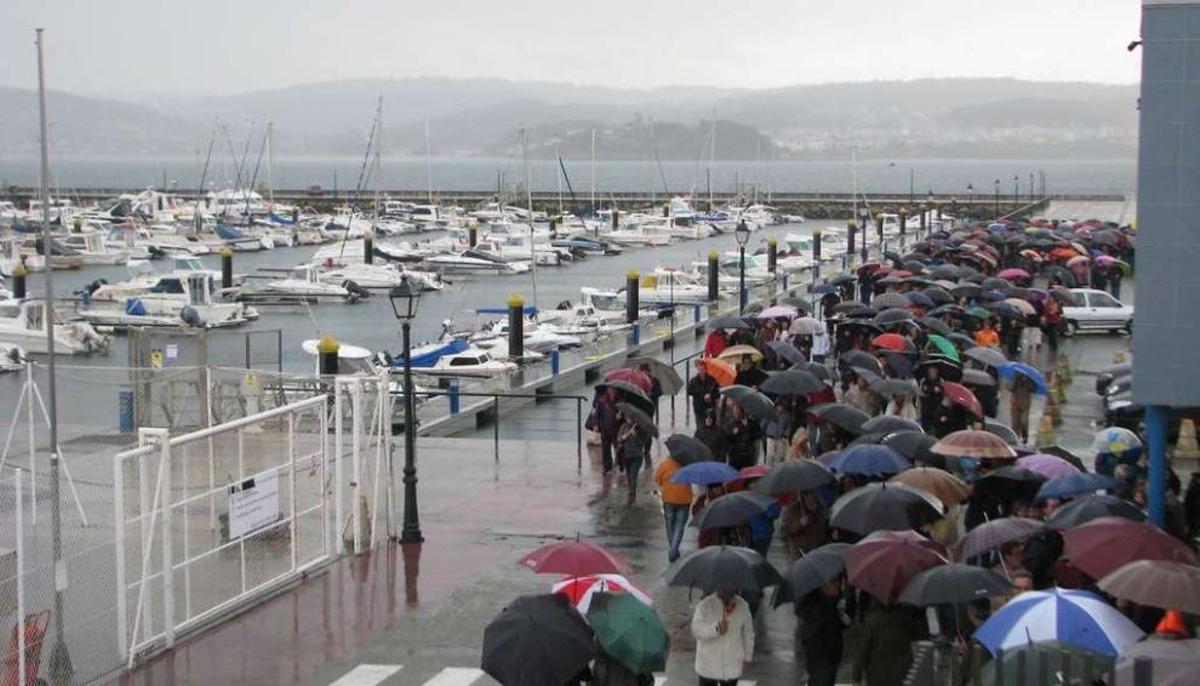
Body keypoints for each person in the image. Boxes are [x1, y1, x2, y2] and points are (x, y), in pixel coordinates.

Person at [851, 603, 928, 686]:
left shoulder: (873, 618)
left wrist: (857, 673)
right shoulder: (906, 616)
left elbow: (864, 648)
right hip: (901, 669)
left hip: (877, 671)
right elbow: (921, 635)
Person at [691, 589, 755, 686]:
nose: (727, 588)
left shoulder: (742, 606)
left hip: (732, 665)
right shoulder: (704, 605)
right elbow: (696, 630)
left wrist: (747, 657)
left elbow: (748, 634)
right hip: (707, 666)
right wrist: (716, 629)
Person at [795, 580, 846, 686]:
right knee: (821, 678)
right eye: (833, 582)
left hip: (828, 652)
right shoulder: (822, 606)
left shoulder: (832, 603)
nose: (837, 586)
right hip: (822, 651)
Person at [654, 453, 693, 562]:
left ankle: (673, 550)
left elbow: (657, 479)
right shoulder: (687, 466)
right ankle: (673, 551)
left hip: (668, 499)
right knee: (679, 527)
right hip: (684, 499)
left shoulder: (665, 464)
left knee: (669, 525)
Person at [616, 414, 648, 505]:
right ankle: (631, 490)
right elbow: (619, 439)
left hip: (636, 456)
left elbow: (643, 442)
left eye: (630, 417)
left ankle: (632, 494)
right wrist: (623, 437)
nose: (628, 419)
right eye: (627, 417)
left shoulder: (640, 429)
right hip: (626, 455)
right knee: (628, 475)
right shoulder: (624, 426)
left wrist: (636, 436)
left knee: (633, 475)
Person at [688, 362, 720, 427]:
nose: (701, 372)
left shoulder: (712, 380)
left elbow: (717, 392)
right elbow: (689, 391)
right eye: (699, 370)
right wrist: (702, 395)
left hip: (709, 406)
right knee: (700, 426)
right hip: (699, 407)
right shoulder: (694, 381)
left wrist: (711, 396)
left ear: (705, 369)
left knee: (711, 425)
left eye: (702, 369)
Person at [1010, 373, 1036, 443]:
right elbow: (1010, 387)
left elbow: (1033, 388)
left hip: (1025, 404)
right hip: (1015, 403)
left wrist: (1026, 381)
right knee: (1015, 423)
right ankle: (1015, 438)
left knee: (1024, 422)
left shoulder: (1030, 377)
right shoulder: (1014, 376)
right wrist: (1015, 380)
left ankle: (1025, 437)